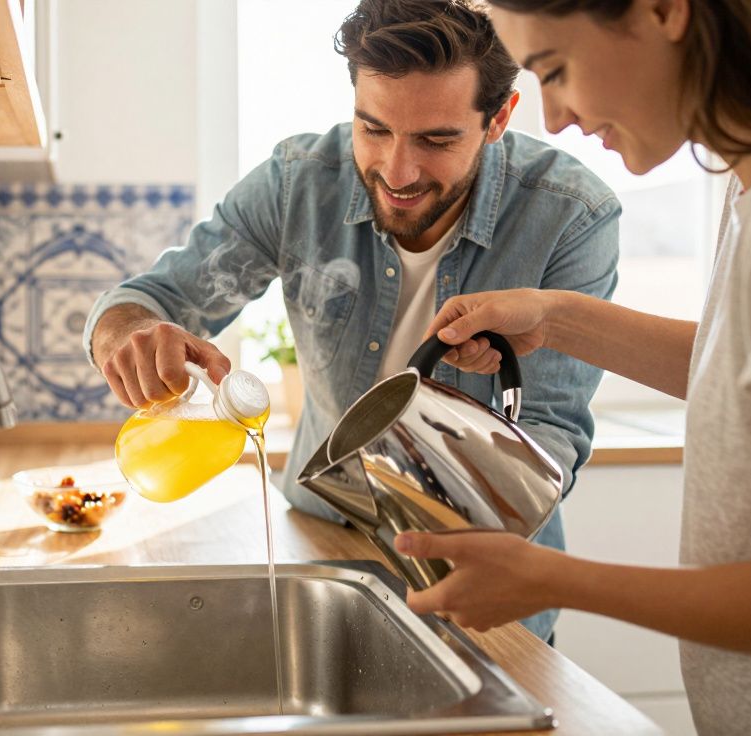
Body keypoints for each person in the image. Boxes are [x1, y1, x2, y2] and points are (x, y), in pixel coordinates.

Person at [394, 0, 751, 733]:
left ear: (664, 10)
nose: (555, 118)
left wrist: (550, 579)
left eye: (556, 69)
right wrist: (556, 317)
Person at [83, 0, 621, 643]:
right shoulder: (298, 184)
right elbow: (152, 298)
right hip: (325, 544)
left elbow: (549, 433)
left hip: (485, 575)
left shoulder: (572, 215)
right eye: (374, 129)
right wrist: (129, 335)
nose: (397, 171)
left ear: (498, 117)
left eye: (436, 139)